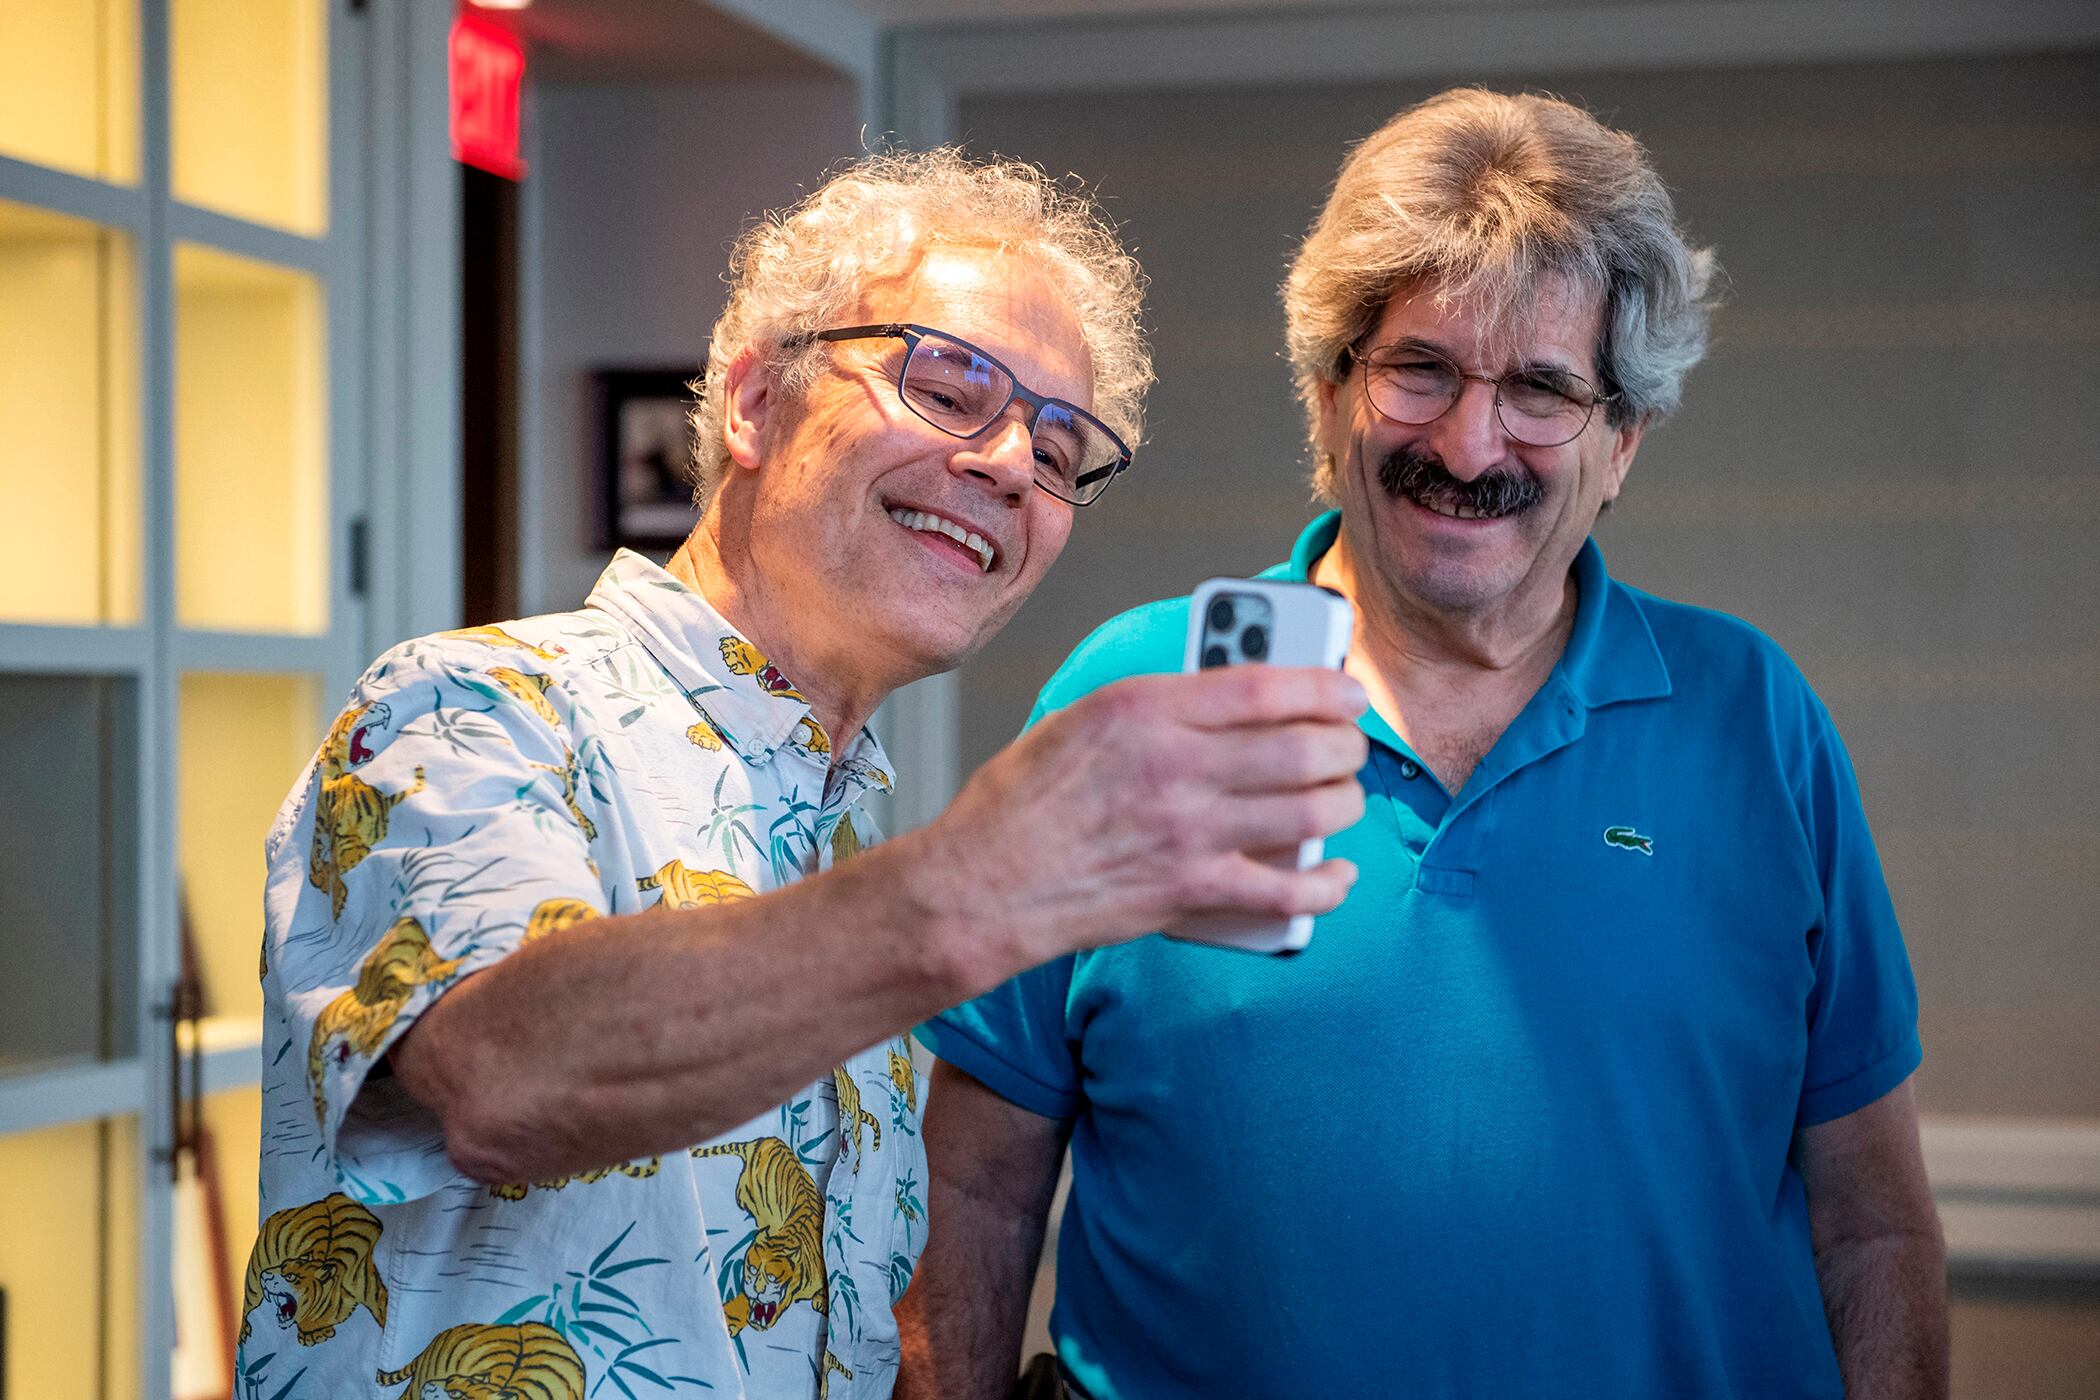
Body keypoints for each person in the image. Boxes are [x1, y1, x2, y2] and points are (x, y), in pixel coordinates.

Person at [238, 149, 1369, 1400]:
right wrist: (969, 889)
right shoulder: (470, 708)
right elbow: (497, 1084)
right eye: (950, 384)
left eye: (1060, 449)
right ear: (752, 404)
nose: (1008, 463)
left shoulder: (834, 851)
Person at [902, 90, 1948, 1399]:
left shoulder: (1755, 722)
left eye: (1543, 391)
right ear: (1331, 391)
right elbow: (977, 1189)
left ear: (1623, 440)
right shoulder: (1137, 692)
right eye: (1421, 370)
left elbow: (1876, 1223)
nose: (1468, 443)